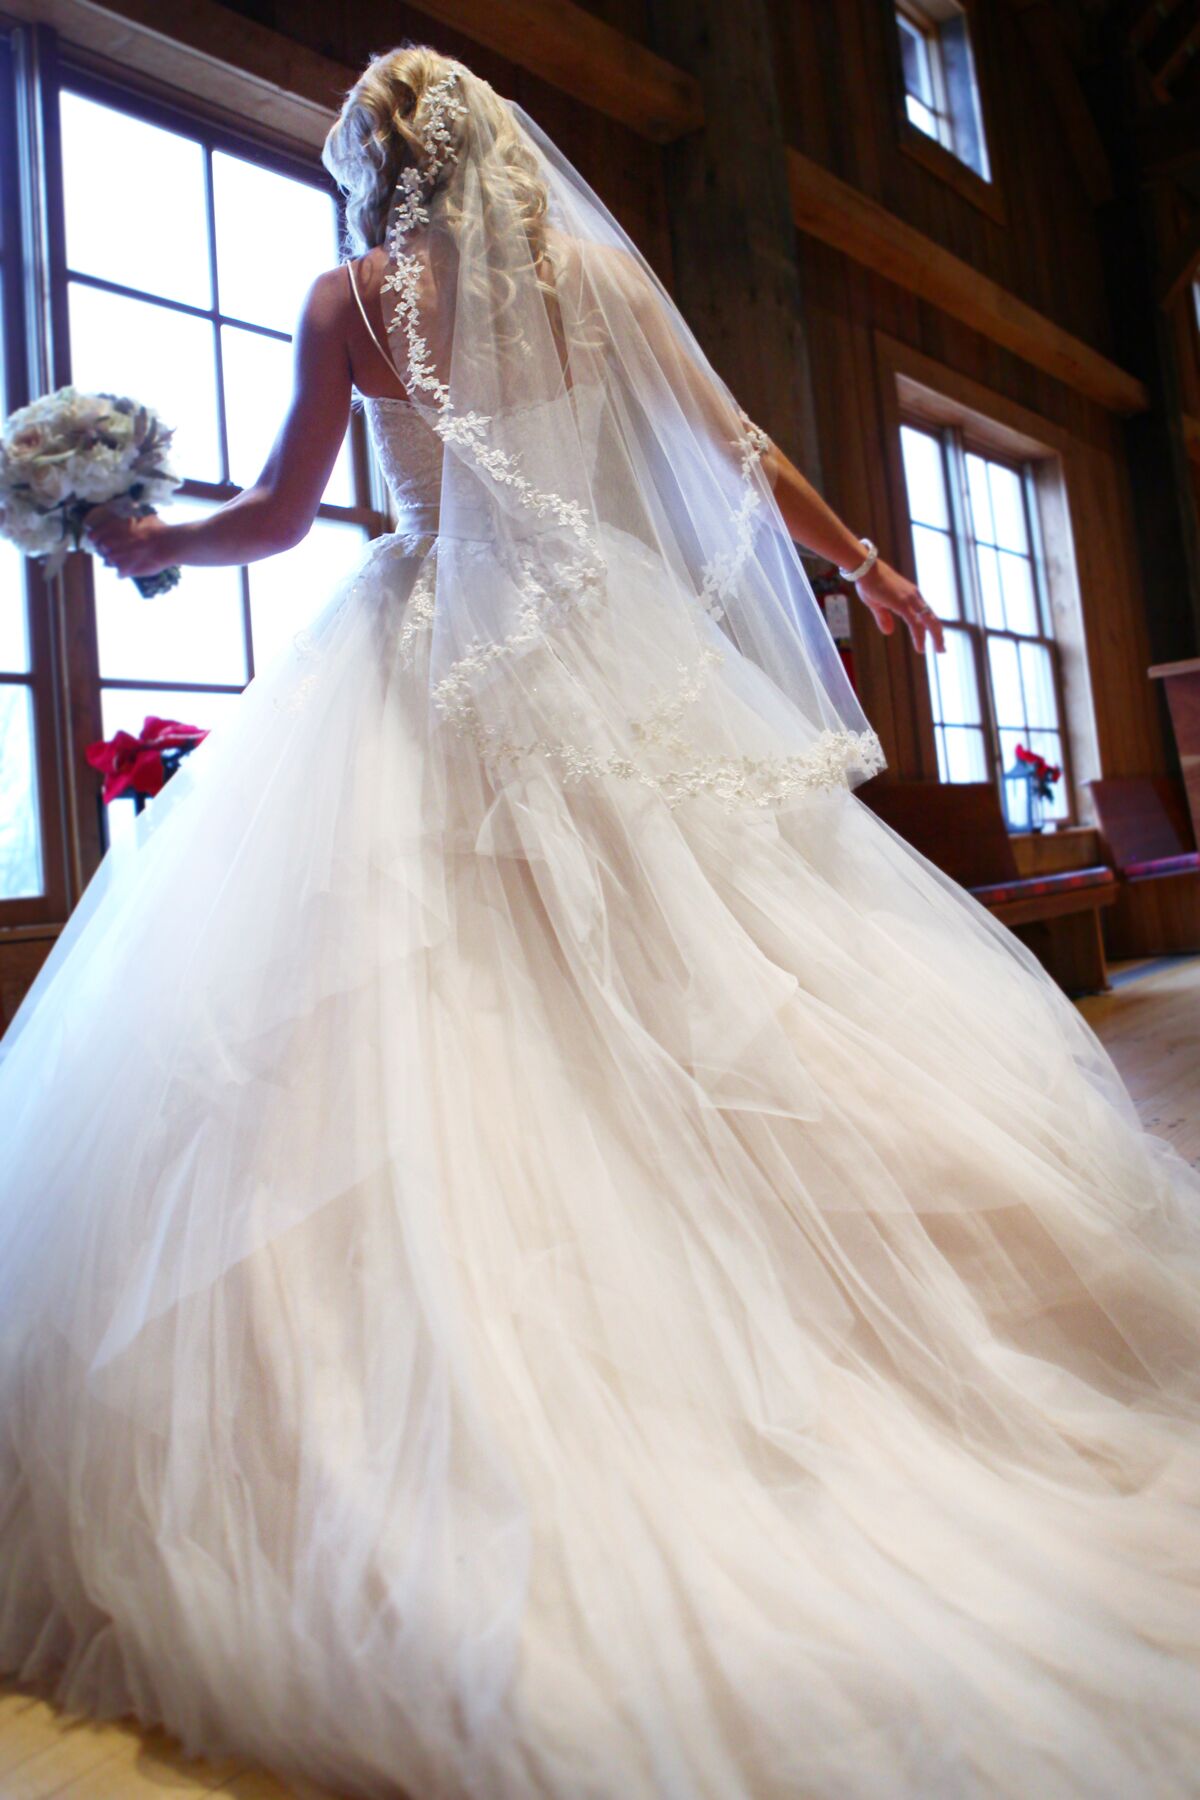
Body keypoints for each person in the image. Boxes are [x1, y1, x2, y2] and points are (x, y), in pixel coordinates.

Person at [2, 43, 1198, 1800]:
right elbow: (733, 448)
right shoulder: (588, 273)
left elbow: (280, 509)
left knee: (450, 1012)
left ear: (369, 168)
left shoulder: (354, 297)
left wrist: (157, 544)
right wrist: (863, 562)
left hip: (431, 656)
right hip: (608, 654)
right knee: (700, 971)